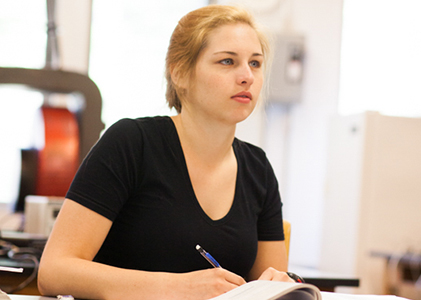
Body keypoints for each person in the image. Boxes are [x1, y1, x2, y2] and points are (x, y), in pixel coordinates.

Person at [37, 5, 293, 300]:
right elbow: (54, 272)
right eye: (227, 61)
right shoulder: (131, 143)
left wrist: (278, 284)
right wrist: (177, 287)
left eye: (256, 63)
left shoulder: (258, 167)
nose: (247, 76)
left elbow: (269, 284)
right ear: (180, 73)